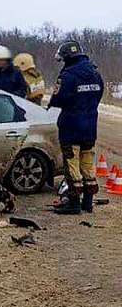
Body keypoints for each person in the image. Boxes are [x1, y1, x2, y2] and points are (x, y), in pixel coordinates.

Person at [49, 40, 104, 214]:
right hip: (90, 127)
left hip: (70, 127)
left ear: (67, 57)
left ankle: (73, 204)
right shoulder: (95, 73)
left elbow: (58, 99)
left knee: (71, 164)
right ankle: (87, 203)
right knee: (87, 163)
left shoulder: (67, 75)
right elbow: (98, 95)